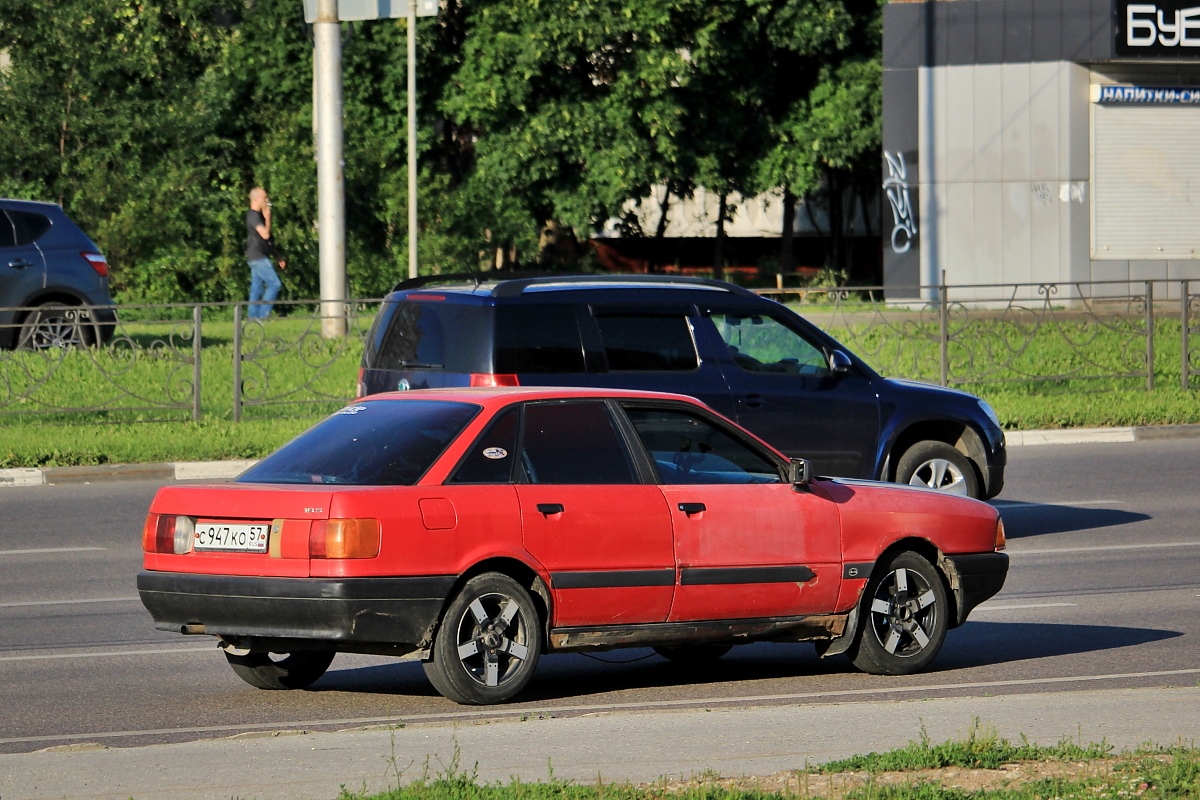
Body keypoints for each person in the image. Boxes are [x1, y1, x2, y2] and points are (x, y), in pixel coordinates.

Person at [245, 187, 286, 319]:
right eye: (264, 198)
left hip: (257, 256)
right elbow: (265, 235)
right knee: (275, 284)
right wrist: (268, 217)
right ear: (256, 199)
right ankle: (263, 315)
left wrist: (277, 256)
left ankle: (253, 319)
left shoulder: (258, 216)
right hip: (258, 256)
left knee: (256, 288)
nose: (267, 200)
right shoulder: (253, 216)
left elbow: (268, 242)